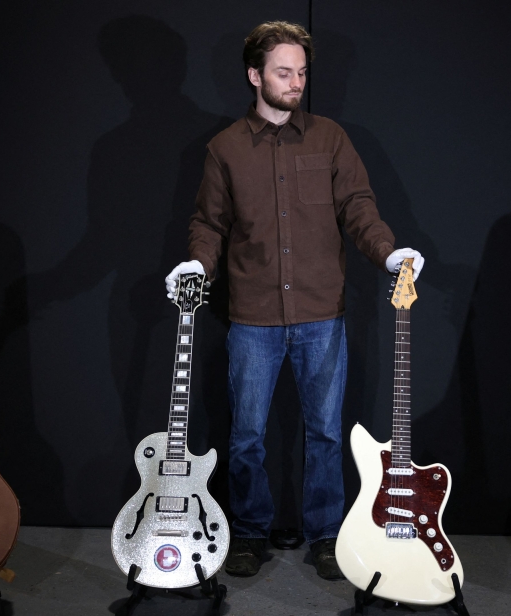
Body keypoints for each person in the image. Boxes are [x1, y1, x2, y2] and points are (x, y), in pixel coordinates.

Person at [165, 21, 425, 579]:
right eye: (284, 72)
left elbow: (359, 206)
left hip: (320, 315)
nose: (296, 82)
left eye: (302, 72)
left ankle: (327, 534)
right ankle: (251, 532)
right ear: (255, 75)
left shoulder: (330, 138)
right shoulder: (225, 149)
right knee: (246, 436)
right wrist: (196, 263)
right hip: (253, 317)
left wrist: (388, 253)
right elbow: (208, 224)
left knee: (327, 433)